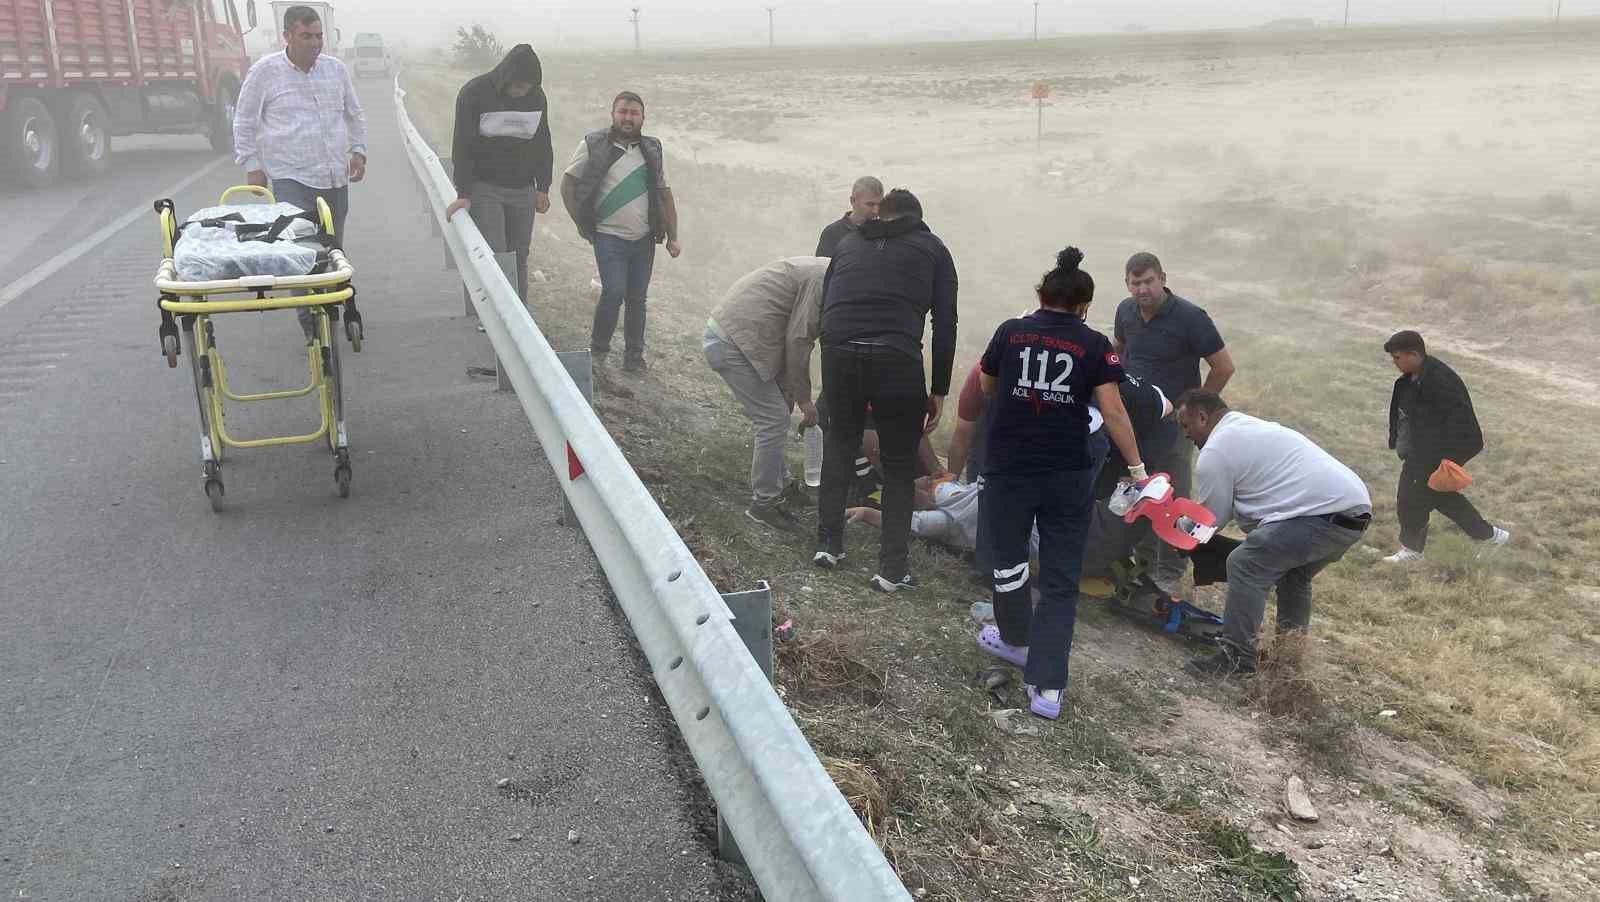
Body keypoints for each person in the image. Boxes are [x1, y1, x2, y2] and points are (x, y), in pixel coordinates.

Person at [973, 247, 1146, 721]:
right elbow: (1112, 411)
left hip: (1009, 469)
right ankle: (1047, 688)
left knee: (1007, 564)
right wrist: (1136, 470)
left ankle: (1013, 639)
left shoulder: (1010, 332)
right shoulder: (1094, 344)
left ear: (1041, 296)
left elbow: (987, 384)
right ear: (1084, 305)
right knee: (1060, 580)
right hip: (1067, 476)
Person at [813, 188, 957, 593]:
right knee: (897, 465)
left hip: (839, 351)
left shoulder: (847, 242)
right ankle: (892, 570)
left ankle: (828, 544)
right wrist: (939, 388)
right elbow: (945, 323)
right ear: (918, 218)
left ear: (883, 214)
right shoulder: (933, 248)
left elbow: (829, 302)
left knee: (840, 446)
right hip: (896, 358)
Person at [1175, 390, 1372, 676]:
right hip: (1354, 510)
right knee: (1294, 575)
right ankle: (1287, 660)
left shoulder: (1216, 450)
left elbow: (1211, 518)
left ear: (1202, 417)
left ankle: (1237, 657)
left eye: (1186, 425)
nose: (1186, 435)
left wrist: (1178, 531)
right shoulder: (1243, 427)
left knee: (1245, 564)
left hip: (1320, 512)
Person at [233, 4, 367, 338]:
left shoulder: (335, 70)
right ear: (288, 36)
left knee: (333, 248)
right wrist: (252, 166)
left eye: (319, 36)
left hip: (335, 177)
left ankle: (332, 309)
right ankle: (310, 321)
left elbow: (355, 114)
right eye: (306, 36)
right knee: (303, 252)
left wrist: (359, 151)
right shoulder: (265, 72)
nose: (314, 42)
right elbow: (244, 120)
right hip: (292, 178)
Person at [1113, 252, 1235, 597]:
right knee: (1137, 489)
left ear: (1163, 279)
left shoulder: (1191, 317)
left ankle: (1170, 571)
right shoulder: (1124, 311)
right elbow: (1118, 350)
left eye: (1149, 281)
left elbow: (1223, 366)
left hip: (1172, 424)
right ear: (1127, 284)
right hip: (1132, 417)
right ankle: (1140, 562)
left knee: (1174, 495)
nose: (1142, 290)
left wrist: (1195, 414)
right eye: (1135, 283)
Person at [703, 257, 828, 531]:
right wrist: (806, 401)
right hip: (732, 341)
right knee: (773, 420)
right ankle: (763, 504)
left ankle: (781, 483)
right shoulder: (823, 279)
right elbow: (798, 339)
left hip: (743, 338)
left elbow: (787, 330)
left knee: (778, 413)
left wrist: (791, 390)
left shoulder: (828, 271)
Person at [560, 91, 680, 373]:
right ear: (613, 114)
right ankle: (599, 350)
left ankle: (634, 358)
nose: (628, 117)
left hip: (643, 239)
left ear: (643, 118)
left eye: (634, 113)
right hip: (607, 236)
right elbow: (568, 184)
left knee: (637, 298)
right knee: (613, 292)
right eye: (623, 112)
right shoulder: (593, 144)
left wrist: (673, 236)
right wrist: (581, 224)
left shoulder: (652, 150)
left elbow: (665, 194)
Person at [1381, 330, 1509, 562]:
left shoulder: (1440, 380)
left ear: (1414, 354)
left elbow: (1462, 422)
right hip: (1422, 449)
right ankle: (1490, 536)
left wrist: (1446, 458)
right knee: (1436, 496)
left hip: (1441, 449)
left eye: (1398, 358)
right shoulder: (1412, 378)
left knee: (1411, 496)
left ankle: (1413, 551)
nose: (1395, 363)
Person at [443, 45, 553, 304]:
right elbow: (462, 145)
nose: (521, 92)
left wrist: (543, 187)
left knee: (519, 256)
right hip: (486, 188)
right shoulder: (474, 93)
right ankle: (496, 312)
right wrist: (464, 193)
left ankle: (520, 312)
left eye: (526, 87)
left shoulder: (537, 97)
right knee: (496, 253)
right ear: (505, 77)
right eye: (517, 86)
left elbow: (543, 142)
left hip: (523, 190)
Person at [814, 176, 883, 257]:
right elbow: (823, 268)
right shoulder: (832, 234)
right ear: (853, 201)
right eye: (870, 204)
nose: (876, 211)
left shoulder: (886, 232)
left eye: (880, 204)